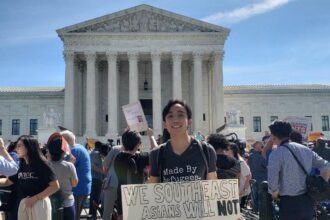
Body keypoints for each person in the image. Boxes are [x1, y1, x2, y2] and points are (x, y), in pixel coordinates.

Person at [268, 120, 330, 220]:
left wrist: (274, 194)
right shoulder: (305, 149)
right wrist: (321, 183)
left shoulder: (276, 154)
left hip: (288, 202)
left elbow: (272, 182)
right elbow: (326, 166)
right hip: (308, 199)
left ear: (274, 136)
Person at [148, 99, 217, 183]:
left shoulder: (206, 150)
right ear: (165, 124)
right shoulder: (156, 154)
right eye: (170, 116)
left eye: (180, 115)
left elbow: (213, 186)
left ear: (189, 121)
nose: (175, 120)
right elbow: (152, 188)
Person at [0, 135, 60, 220]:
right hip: (25, 203)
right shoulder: (22, 165)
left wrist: (35, 199)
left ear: (29, 146)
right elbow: (8, 181)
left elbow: (55, 186)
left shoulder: (42, 164)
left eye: (19, 145)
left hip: (39, 203)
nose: (16, 149)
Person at [114, 129, 149, 220]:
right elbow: (157, 152)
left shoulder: (118, 158)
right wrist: (151, 136)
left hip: (122, 198)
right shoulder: (141, 158)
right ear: (137, 144)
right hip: (138, 199)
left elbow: (124, 150)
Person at [60, 130, 92, 220]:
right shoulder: (80, 147)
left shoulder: (73, 151)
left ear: (64, 141)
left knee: (74, 216)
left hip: (77, 188)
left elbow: (63, 168)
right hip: (82, 186)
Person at [47, 132, 78, 220]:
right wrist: (71, 165)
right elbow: (74, 183)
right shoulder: (69, 166)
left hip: (50, 203)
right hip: (67, 202)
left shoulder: (45, 165)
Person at [227, 143, 252, 210]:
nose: (225, 151)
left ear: (232, 150)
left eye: (227, 149)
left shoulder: (240, 162)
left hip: (242, 193)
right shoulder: (232, 161)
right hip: (236, 193)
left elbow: (249, 176)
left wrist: (244, 190)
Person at [102, 144, 123, 220]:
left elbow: (105, 165)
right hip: (126, 185)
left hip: (112, 183)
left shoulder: (115, 149)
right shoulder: (135, 150)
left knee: (107, 211)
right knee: (124, 212)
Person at [89, 141, 107, 220]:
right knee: (94, 199)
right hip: (95, 179)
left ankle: (93, 215)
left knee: (95, 199)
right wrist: (103, 172)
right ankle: (92, 216)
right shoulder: (95, 154)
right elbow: (93, 167)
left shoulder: (94, 154)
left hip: (97, 179)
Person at [248, 140, 267, 212]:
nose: (263, 146)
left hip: (255, 178)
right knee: (261, 196)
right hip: (262, 178)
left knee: (255, 195)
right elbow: (265, 164)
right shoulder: (259, 155)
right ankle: (260, 210)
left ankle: (255, 209)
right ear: (256, 146)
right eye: (261, 145)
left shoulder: (251, 155)